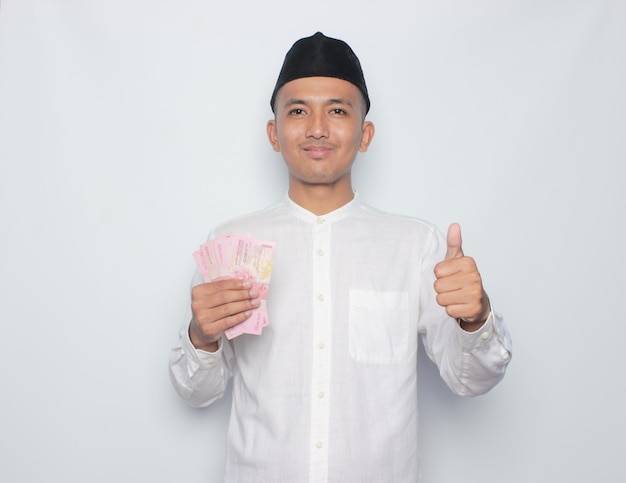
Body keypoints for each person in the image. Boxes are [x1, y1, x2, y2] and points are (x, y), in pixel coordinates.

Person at [169, 32, 512, 482]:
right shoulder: (232, 243)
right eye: (297, 111)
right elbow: (197, 392)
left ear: (364, 133)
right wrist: (202, 337)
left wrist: (476, 318)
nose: (316, 127)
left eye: (336, 110)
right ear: (274, 133)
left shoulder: (415, 246)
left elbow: (471, 380)